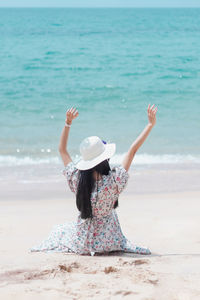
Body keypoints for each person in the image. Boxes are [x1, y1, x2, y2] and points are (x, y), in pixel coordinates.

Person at [30, 104, 157, 256]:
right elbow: (132, 150)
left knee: (60, 230)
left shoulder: (77, 179)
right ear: (105, 159)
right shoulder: (115, 181)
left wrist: (67, 123)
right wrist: (150, 124)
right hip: (109, 241)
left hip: (83, 241)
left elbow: (62, 150)